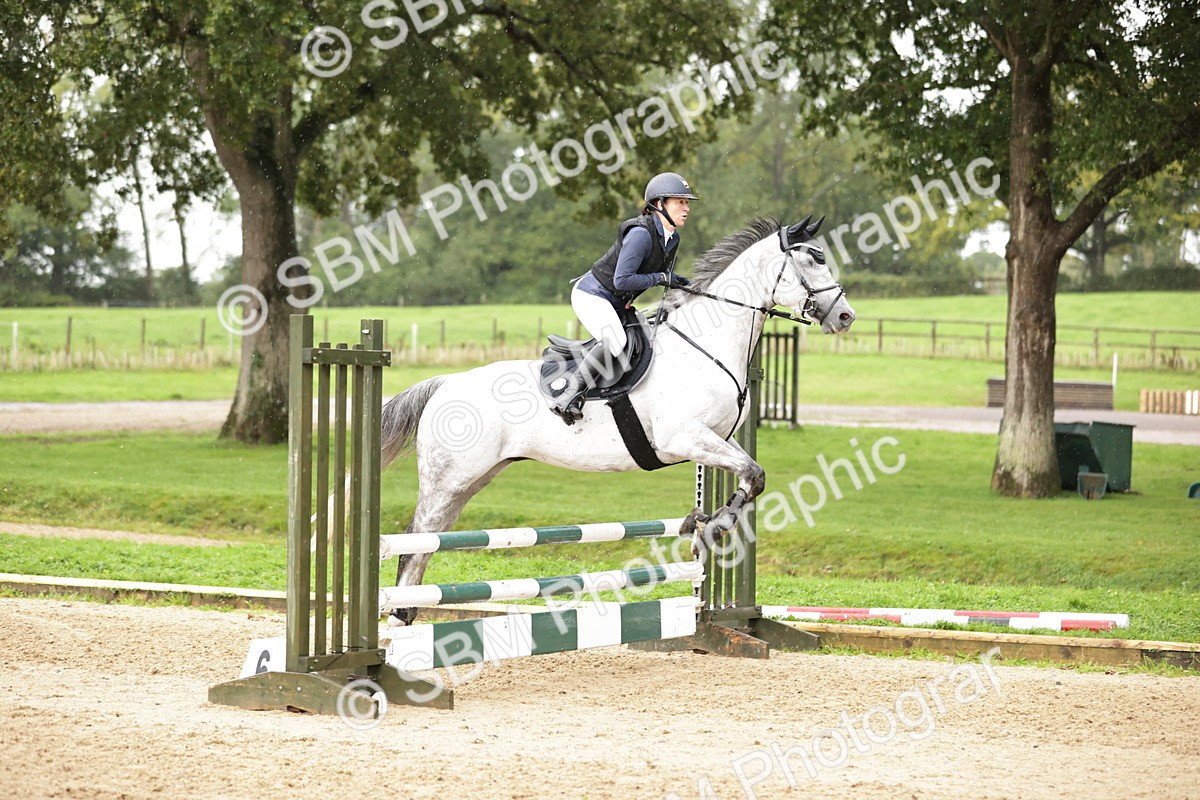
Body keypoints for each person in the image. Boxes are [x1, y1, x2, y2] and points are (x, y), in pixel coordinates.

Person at [550, 172, 696, 424]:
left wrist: (681, 286)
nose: (686, 208)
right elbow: (622, 280)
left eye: (687, 203)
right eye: (679, 202)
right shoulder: (640, 234)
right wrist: (662, 278)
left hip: (616, 301)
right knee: (616, 341)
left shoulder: (672, 238)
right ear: (659, 204)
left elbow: (652, 274)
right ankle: (569, 395)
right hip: (592, 295)